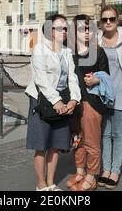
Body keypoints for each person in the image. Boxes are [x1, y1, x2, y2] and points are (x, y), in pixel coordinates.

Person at [24, 14, 81, 191]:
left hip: (63, 102)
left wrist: (74, 99)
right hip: (42, 102)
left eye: (65, 28)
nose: (64, 31)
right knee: (42, 146)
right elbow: (41, 79)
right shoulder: (40, 49)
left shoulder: (66, 51)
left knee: (56, 145)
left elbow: (73, 77)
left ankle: (51, 183)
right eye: (59, 28)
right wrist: (56, 101)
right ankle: (41, 185)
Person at [65, 14, 110, 191]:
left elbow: (107, 77)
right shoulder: (69, 51)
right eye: (82, 28)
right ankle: (80, 172)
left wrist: (97, 80)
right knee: (77, 139)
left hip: (91, 103)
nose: (86, 32)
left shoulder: (98, 52)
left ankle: (92, 176)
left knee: (92, 142)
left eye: (89, 28)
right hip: (74, 103)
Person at [97, 5, 122, 189]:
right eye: (105, 19)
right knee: (105, 134)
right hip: (102, 93)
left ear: (117, 20)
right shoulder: (96, 40)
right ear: (101, 21)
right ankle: (105, 170)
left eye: (111, 19)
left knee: (118, 134)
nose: (108, 22)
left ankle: (115, 170)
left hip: (119, 93)